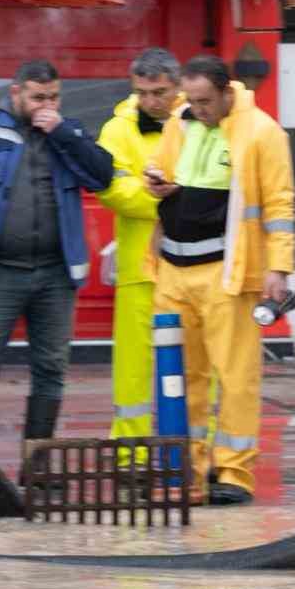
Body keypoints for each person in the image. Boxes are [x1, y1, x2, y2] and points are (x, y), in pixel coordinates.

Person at [144, 56, 295, 505]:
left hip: (226, 273)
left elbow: (280, 205)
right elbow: (161, 170)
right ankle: (184, 471)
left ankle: (232, 473)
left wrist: (279, 268)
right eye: (190, 100)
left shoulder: (262, 133)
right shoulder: (180, 121)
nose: (198, 109)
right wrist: (155, 182)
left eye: (205, 101)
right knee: (179, 378)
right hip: (173, 269)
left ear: (228, 91)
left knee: (235, 376)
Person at [0, 60, 113, 455]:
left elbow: (102, 175)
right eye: (38, 97)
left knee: (51, 373)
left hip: (56, 275)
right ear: (16, 92)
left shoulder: (67, 131)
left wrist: (62, 133)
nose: (46, 105)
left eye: (53, 97)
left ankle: (35, 469)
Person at [96, 48, 180, 447]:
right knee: (132, 372)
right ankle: (131, 457)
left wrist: (162, 197)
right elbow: (114, 191)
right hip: (138, 269)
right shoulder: (117, 130)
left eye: (159, 92)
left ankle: (193, 455)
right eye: (142, 92)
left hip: (190, 265)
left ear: (176, 87)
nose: (150, 101)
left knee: (198, 366)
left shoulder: (197, 121)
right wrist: (172, 200)